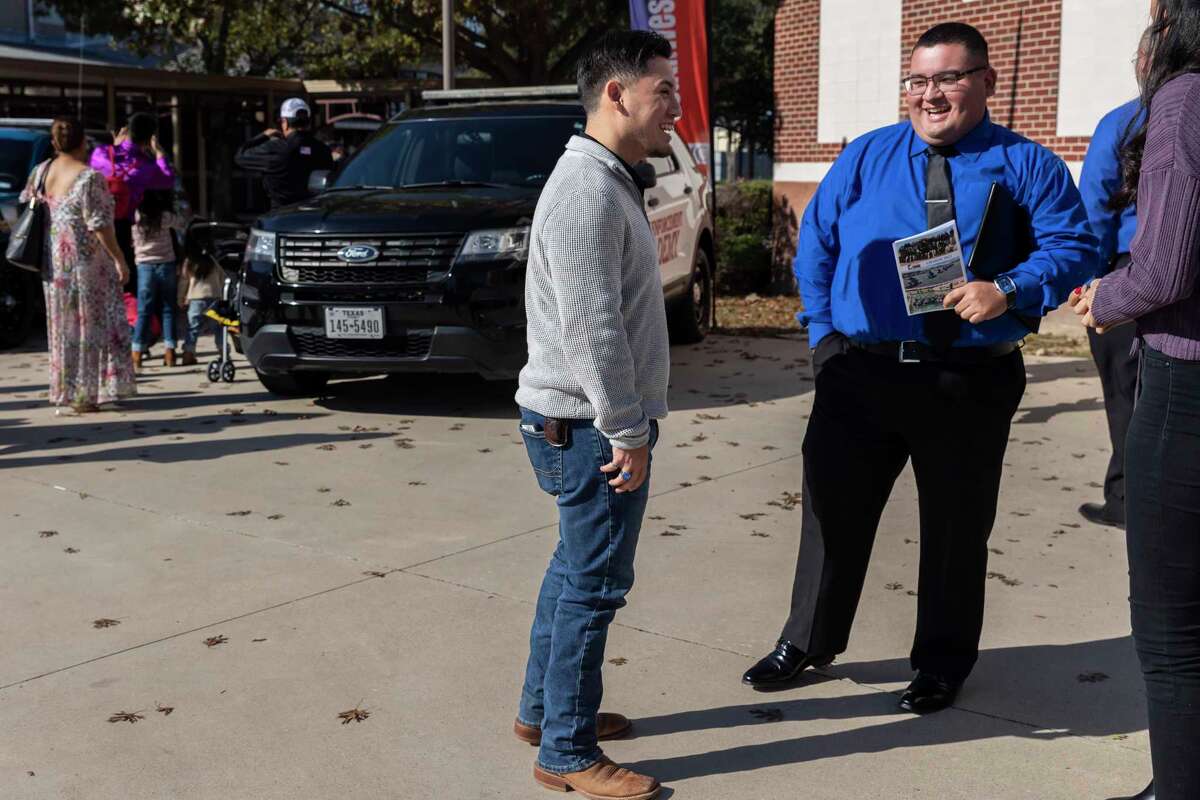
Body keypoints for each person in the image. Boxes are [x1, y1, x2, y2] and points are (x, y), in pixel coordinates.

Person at [741, 22, 1097, 715]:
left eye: (948, 78)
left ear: (986, 82)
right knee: (830, 514)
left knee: (957, 530)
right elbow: (816, 245)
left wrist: (1011, 289)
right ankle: (808, 639)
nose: (930, 94)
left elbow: (1075, 249)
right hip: (862, 373)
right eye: (918, 80)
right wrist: (822, 340)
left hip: (968, 379)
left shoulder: (1029, 165)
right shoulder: (868, 155)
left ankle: (941, 661)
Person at [511, 29, 679, 800]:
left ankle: (543, 711)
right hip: (586, 427)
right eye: (663, 91)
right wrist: (627, 429)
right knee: (595, 585)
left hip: (578, 423)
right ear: (616, 94)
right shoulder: (585, 189)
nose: (674, 108)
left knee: (571, 569)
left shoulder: (606, 179)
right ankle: (568, 752)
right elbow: (592, 329)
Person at [1071, 3, 1200, 799]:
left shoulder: (1183, 99)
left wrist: (1104, 296)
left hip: (1187, 379)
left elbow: (1162, 271)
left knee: (1170, 621)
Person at [1075, 34, 1150, 531]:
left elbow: (1094, 208)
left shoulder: (1124, 121)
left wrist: (1090, 283)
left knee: (1124, 394)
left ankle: (1126, 501)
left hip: (1125, 273)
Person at [21, 117, 136, 414]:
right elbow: (100, 226)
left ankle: (65, 389)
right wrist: (119, 258)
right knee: (89, 329)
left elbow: (28, 202)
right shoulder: (89, 177)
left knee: (62, 329)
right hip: (86, 263)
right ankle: (84, 395)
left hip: (52, 263)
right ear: (83, 141)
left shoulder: (41, 171)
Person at [89, 112, 176, 279]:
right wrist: (158, 153)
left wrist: (115, 146)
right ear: (149, 139)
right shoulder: (146, 167)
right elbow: (168, 179)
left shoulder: (100, 153)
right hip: (121, 229)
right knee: (122, 284)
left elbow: (100, 169)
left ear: (126, 131)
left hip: (94, 226)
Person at [235, 98, 333, 209]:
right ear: (308, 123)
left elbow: (240, 156)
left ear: (285, 123)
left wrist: (263, 136)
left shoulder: (276, 148)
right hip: (311, 215)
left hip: (281, 216)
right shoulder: (322, 150)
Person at [130, 189, 183, 369]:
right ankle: (170, 352)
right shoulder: (165, 216)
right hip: (167, 264)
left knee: (144, 310)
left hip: (145, 267)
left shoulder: (137, 216)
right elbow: (182, 223)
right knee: (168, 309)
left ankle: (136, 352)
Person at [177, 252, 223, 365]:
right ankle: (223, 351)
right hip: (214, 295)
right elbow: (222, 276)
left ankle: (188, 353)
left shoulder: (190, 260)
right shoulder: (214, 259)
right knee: (217, 327)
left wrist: (180, 297)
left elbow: (184, 281)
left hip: (195, 297)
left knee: (193, 327)